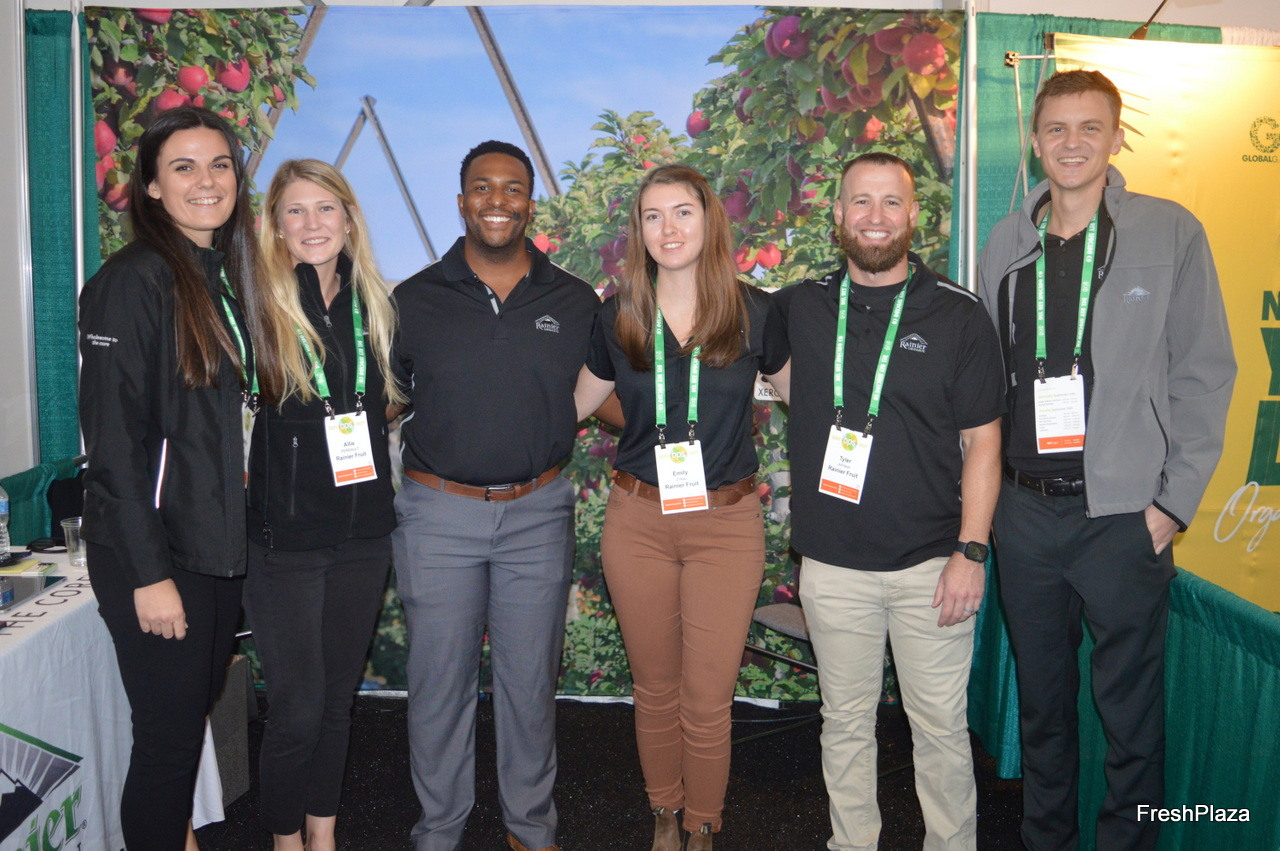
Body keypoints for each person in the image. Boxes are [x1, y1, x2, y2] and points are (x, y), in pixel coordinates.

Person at [977, 70, 1236, 849]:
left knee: (1131, 721)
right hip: (1025, 515)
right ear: (1035, 141)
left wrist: (1171, 505)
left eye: (1090, 127)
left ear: (1118, 139)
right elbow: (988, 379)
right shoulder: (1006, 241)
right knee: (1044, 712)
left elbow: (1204, 373)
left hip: (1124, 519)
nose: (1072, 143)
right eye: (1057, 128)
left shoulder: (1171, 232)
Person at [770, 152, 1004, 851]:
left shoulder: (958, 313)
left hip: (931, 566)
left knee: (940, 729)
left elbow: (983, 443)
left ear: (913, 214)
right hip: (832, 565)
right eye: (861, 201)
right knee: (844, 723)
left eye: (891, 202)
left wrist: (971, 553)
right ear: (837, 214)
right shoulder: (798, 305)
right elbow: (741, 347)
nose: (876, 217)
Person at [390, 140, 600, 851]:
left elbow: (608, 394)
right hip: (436, 514)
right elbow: (381, 396)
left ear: (529, 205)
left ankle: (531, 828)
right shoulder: (413, 299)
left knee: (529, 682)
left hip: (538, 513)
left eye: (512, 188)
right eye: (483, 187)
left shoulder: (574, 300)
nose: (497, 200)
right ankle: (439, 829)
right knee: (438, 682)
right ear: (461, 202)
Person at [573, 164, 790, 851]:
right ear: (638, 230)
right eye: (653, 215)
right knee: (656, 686)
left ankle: (703, 823)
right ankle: (664, 811)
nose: (668, 228)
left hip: (726, 526)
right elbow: (570, 405)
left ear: (708, 220)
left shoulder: (755, 312)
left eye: (682, 212)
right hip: (638, 520)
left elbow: (811, 402)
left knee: (707, 694)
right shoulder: (618, 315)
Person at [78, 106, 273, 850]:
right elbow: (113, 448)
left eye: (219, 165)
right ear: (152, 187)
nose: (206, 181)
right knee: (166, 744)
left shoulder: (222, 276)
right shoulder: (133, 281)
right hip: (160, 554)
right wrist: (150, 574)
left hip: (214, 545)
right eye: (183, 167)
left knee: (185, 726)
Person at [243, 159, 402, 851]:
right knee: (297, 710)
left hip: (364, 536)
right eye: (295, 210)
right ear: (276, 226)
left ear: (349, 219)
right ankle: (285, 841)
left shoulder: (379, 305)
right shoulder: (255, 305)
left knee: (338, 702)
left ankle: (324, 833)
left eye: (325, 208)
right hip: (285, 542)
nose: (312, 223)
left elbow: (391, 400)